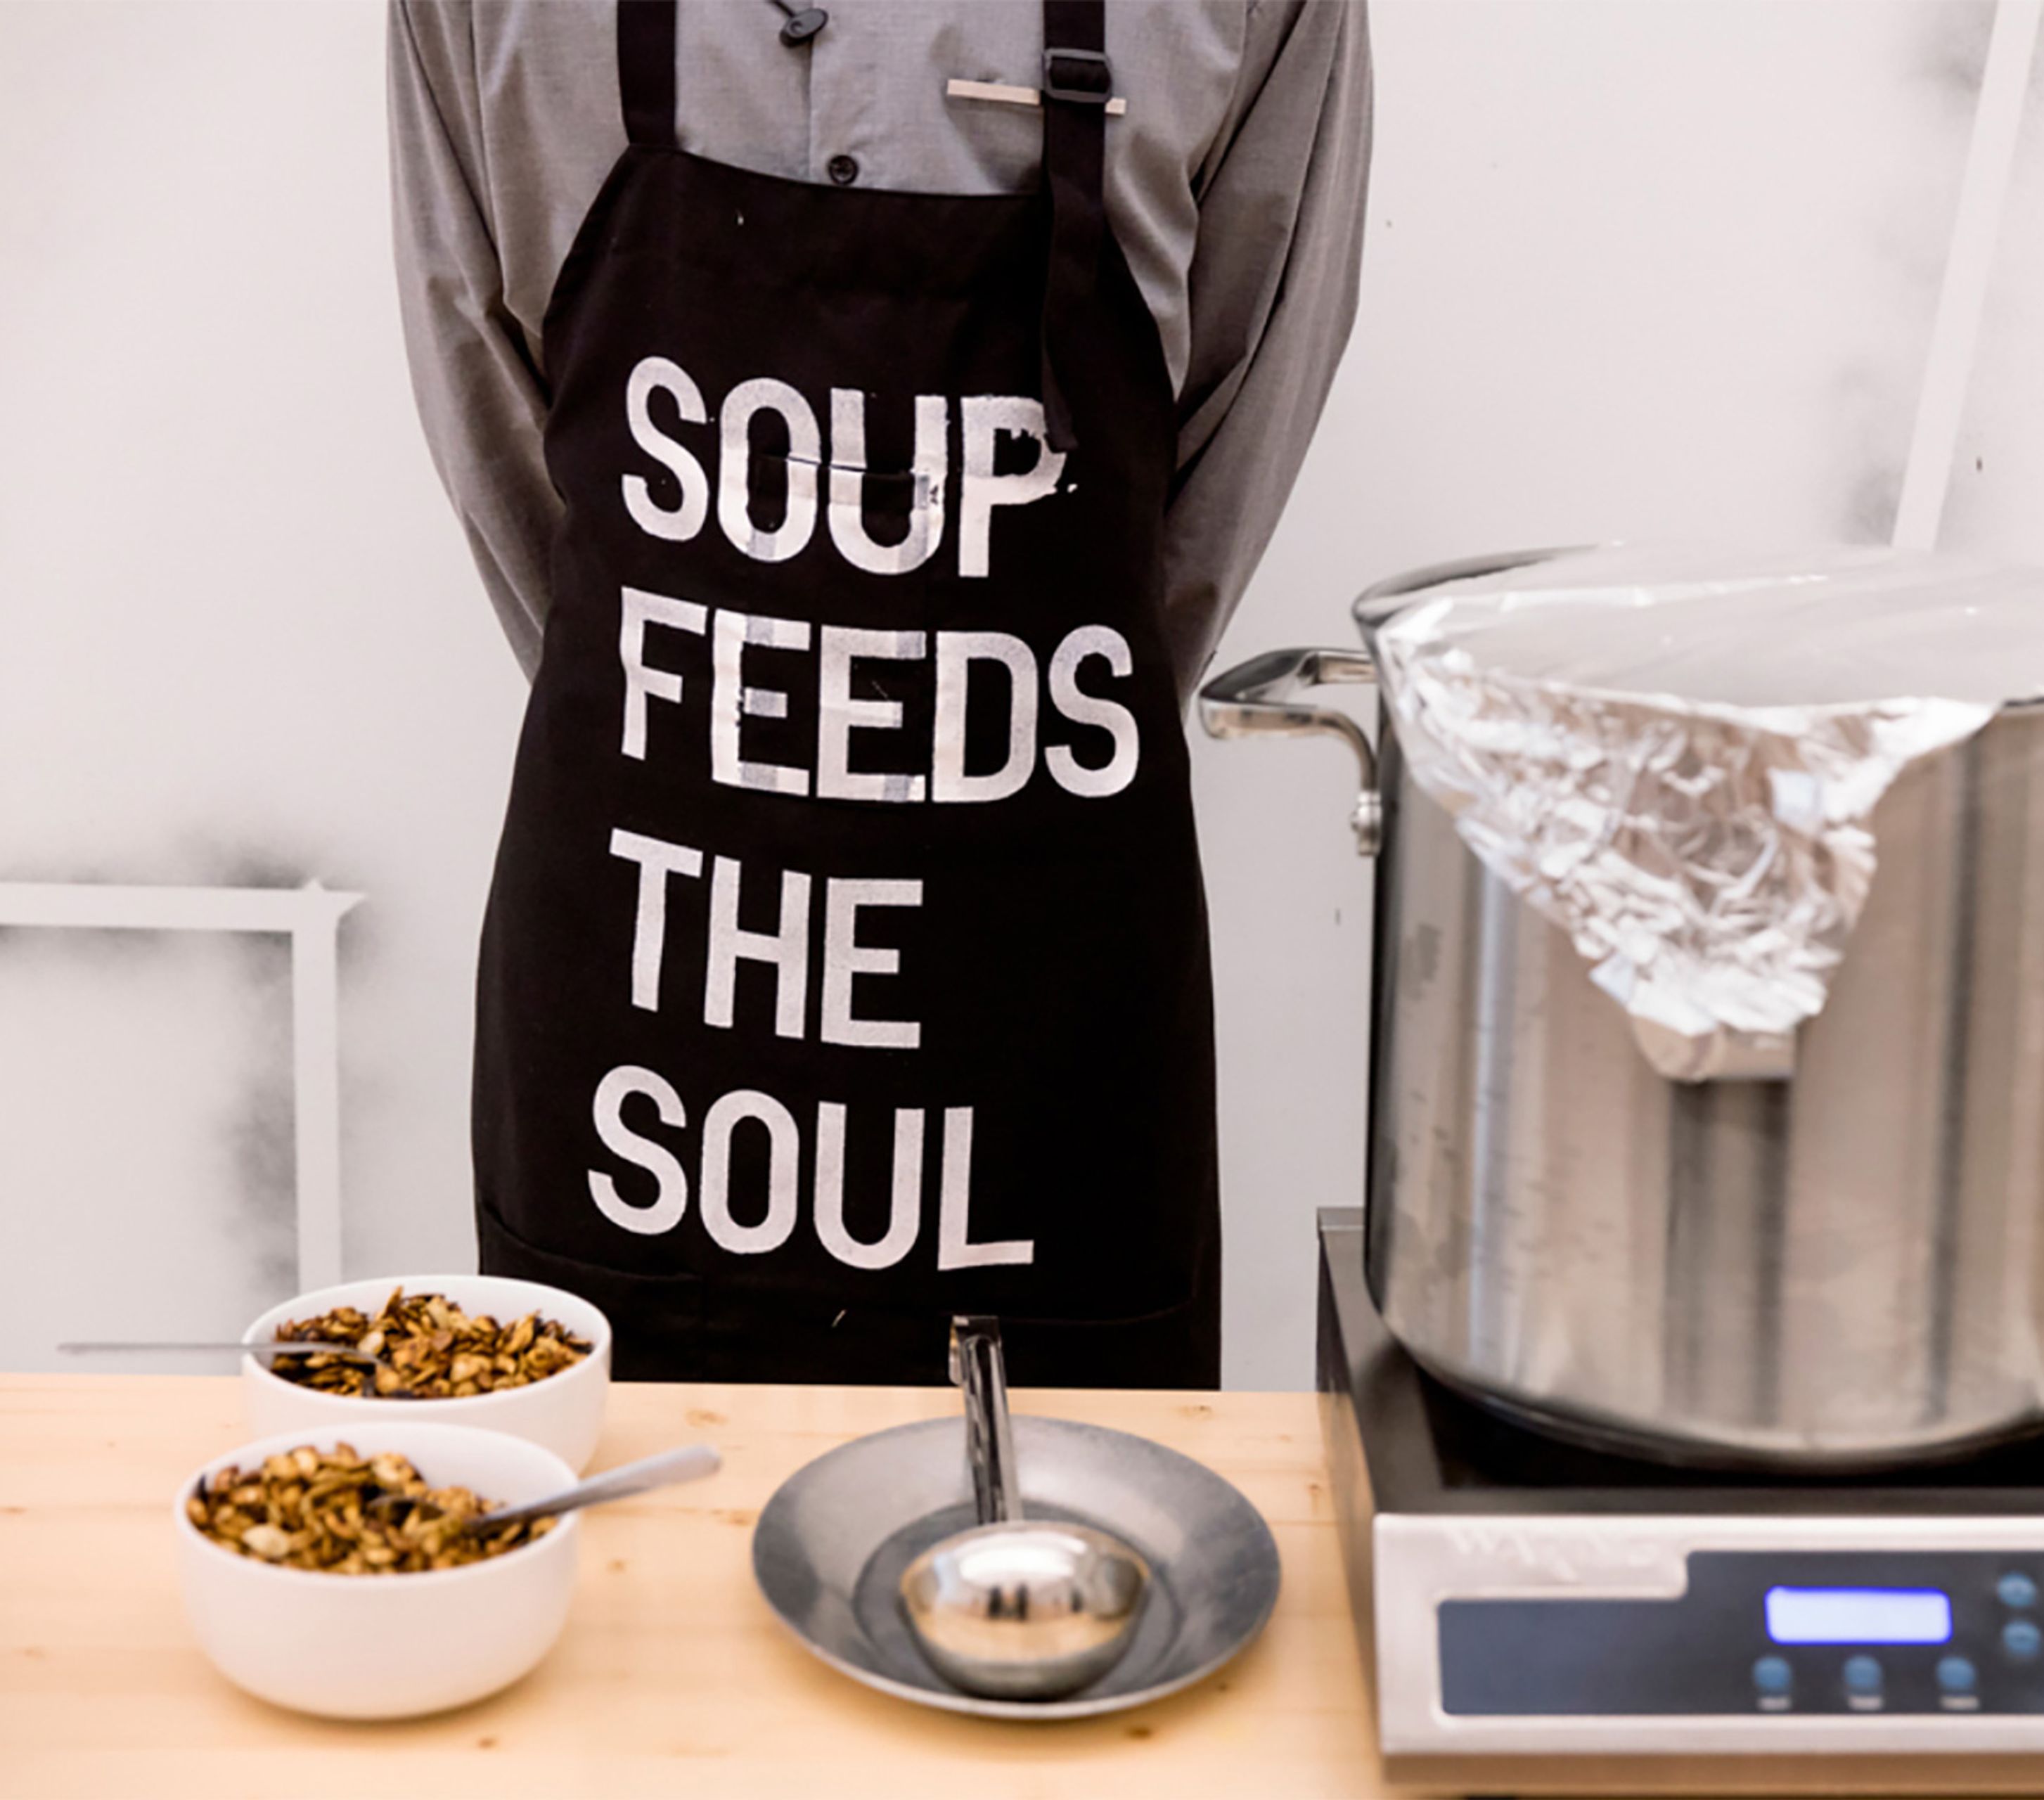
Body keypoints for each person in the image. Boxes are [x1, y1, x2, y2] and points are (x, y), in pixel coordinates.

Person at [387, 0, 1371, 1389]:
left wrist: (1006, 691)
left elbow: (1226, 432)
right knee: (624, 1583)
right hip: (643, 1068)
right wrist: (703, 697)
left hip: (1035, 1058)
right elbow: (498, 415)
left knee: (1064, 1574)